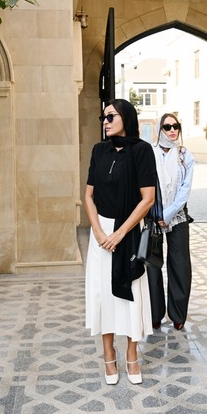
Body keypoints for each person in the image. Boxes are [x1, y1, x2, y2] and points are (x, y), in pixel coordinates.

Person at [84, 99, 156, 385]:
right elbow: (88, 196)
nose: (105, 121)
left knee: (130, 295)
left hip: (128, 231)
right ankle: (108, 358)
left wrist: (119, 233)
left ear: (126, 117)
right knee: (102, 294)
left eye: (111, 116)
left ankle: (132, 355)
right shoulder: (98, 151)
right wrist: (100, 233)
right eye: (103, 117)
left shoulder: (141, 150)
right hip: (100, 233)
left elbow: (147, 198)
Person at [148, 113, 195, 331]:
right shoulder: (149, 153)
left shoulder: (185, 155)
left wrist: (167, 215)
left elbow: (184, 190)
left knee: (180, 265)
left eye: (176, 126)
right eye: (167, 127)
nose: (172, 130)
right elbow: (147, 186)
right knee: (152, 265)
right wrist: (157, 214)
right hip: (152, 216)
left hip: (177, 217)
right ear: (160, 129)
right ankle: (154, 313)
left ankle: (178, 315)